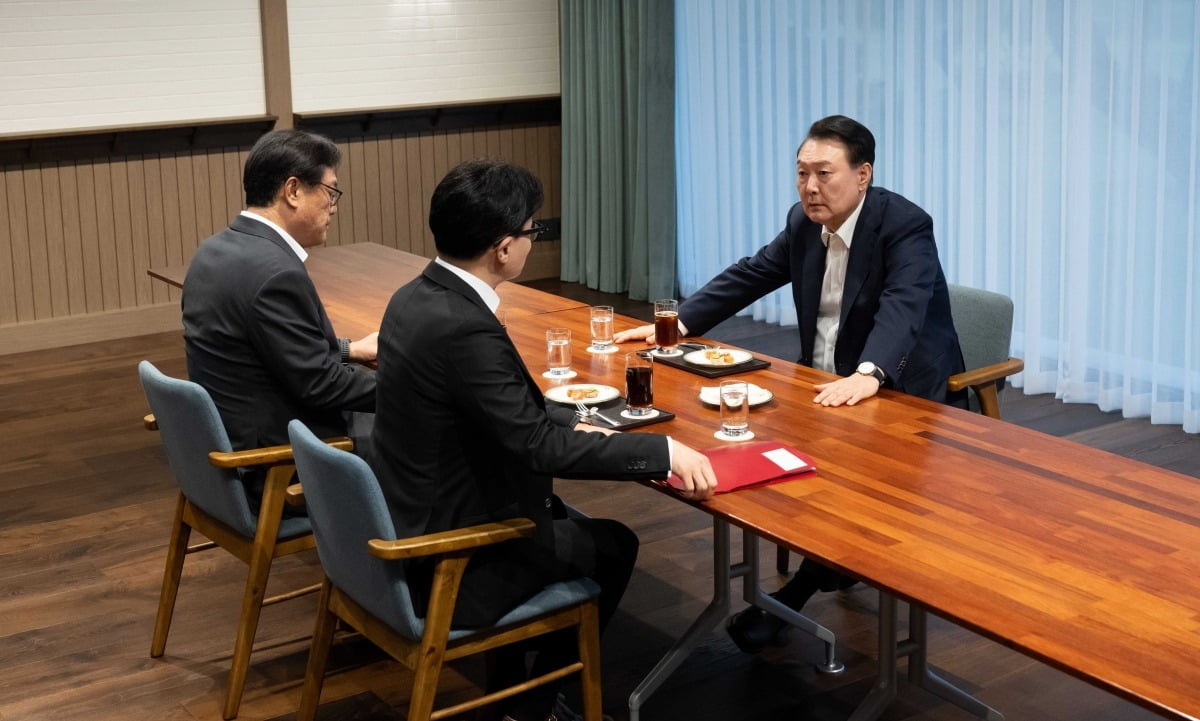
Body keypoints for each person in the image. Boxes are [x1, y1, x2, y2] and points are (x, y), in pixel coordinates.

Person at [370, 159, 718, 721]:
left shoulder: (415, 295)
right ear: (504, 248)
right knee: (614, 544)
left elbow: (498, 410)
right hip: (455, 556)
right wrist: (662, 451)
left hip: (413, 512)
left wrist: (563, 417)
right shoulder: (465, 326)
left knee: (571, 520)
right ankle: (531, 708)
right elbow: (536, 448)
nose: (535, 241)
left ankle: (519, 687)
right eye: (533, 231)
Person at [614, 114, 966, 654]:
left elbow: (903, 306)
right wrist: (678, 323)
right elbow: (753, 272)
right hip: (822, 382)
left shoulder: (904, 225)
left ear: (863, 175)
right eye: (801, 173)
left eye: (824, 174)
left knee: (848, 481)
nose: (810, 187)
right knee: (762, 452)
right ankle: (834, 562)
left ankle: (796, 593)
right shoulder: (804, 223)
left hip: (898, 388)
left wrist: (869, 375)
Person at [183, 129, 378, 500]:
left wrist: (347, 350)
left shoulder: (214, 249)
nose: (334, 205)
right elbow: (321, 386)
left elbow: (261, 349)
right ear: (292, 190)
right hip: (280, 467)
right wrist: (417, 386)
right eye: (330, 191)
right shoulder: (275, 272)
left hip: (235, 443)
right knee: (429, 429)